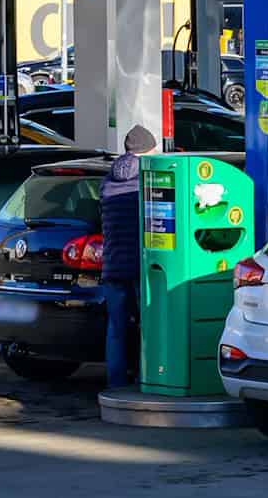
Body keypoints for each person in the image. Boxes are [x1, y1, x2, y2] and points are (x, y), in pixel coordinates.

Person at [100, 124, 158, 389]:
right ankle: (149, 378)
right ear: (148, 150)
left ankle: (116, 384)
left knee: (116, 328)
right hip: (141, 265)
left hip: (112, 264)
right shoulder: (147, 180)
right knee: (150, 325)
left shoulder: (108, 181)